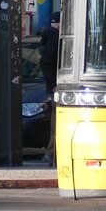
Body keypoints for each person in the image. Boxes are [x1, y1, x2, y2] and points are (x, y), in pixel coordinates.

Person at [39, 13, 59, 166]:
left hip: (53, 87)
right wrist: (53, 83)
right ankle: (51, 153)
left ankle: (51, 153)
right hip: (56, 87)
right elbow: (46, 61)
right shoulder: (55, 37)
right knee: (57, 122)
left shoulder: (49, 35)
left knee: (56, 122)